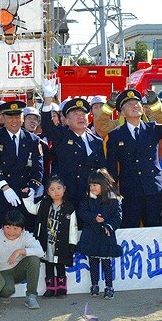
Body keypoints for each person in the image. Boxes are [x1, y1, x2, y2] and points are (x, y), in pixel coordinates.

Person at [105, 83, 162, 228]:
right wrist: (113, 192)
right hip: (129, 191)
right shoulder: (115, 135)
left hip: (152, 189)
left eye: (137, 103)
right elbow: (112, 167)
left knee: (154, 228)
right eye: (129, 104)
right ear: (122, 112)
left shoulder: (151, 129)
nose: (135, 106)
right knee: (130, 228)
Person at [0, 100, 44, 232]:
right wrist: (5, 188)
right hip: (2, 192)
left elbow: (38, 168)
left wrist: (32, 188)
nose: (14, 120)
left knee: (24, 230)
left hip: (24, 192)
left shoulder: (32, 139)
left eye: (17, 116)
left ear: (23, 118)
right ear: (3, 118)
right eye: (10, 117)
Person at [39, 91, 106, 210]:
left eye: (83, 114)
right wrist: (48, 99)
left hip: (90, 198)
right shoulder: (62, 135)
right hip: (67, 197)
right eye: (75, 114)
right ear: (67, 120)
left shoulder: (97, 141)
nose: (81, 117)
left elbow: (102, 169)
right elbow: (47, 125)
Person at [22, 176, 78, 298]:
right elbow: (32, 209)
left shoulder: (69, 207)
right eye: (52, 189)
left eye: (58, 188)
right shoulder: (44, 204)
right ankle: (50, 288)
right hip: (46, 242)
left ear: (64, 189)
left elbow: (73, 227)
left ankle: (62, 289)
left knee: (60, 264)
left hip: (62, 242)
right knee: (49, 264)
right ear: (47, 191)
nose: (56, 192)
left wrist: (72, 243)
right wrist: (26, 197)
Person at [0, 209, 45, 309]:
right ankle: (1, 294)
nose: (11, 232)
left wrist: (20, 251)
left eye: (16, 228)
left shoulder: (26, 236)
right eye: (8, 227)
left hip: (18, 270)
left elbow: (40, 252)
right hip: (1, 272)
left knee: (34, 260)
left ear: (22, 229)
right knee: (8, 290)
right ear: (3, 227)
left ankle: (31, 296)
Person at [77, 169, 122, 299]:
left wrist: (109, 225)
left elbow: (117, 217)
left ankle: (109, 287)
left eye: (95, 185)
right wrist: (93, 217)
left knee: (107, 264)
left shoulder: (113, 199)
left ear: (103, 184)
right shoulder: (87, 199)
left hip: (106, 237)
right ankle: (94, 285)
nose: (92, 188)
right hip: (91, 236)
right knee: (93, 262)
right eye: (90, 185)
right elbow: (82, 212)